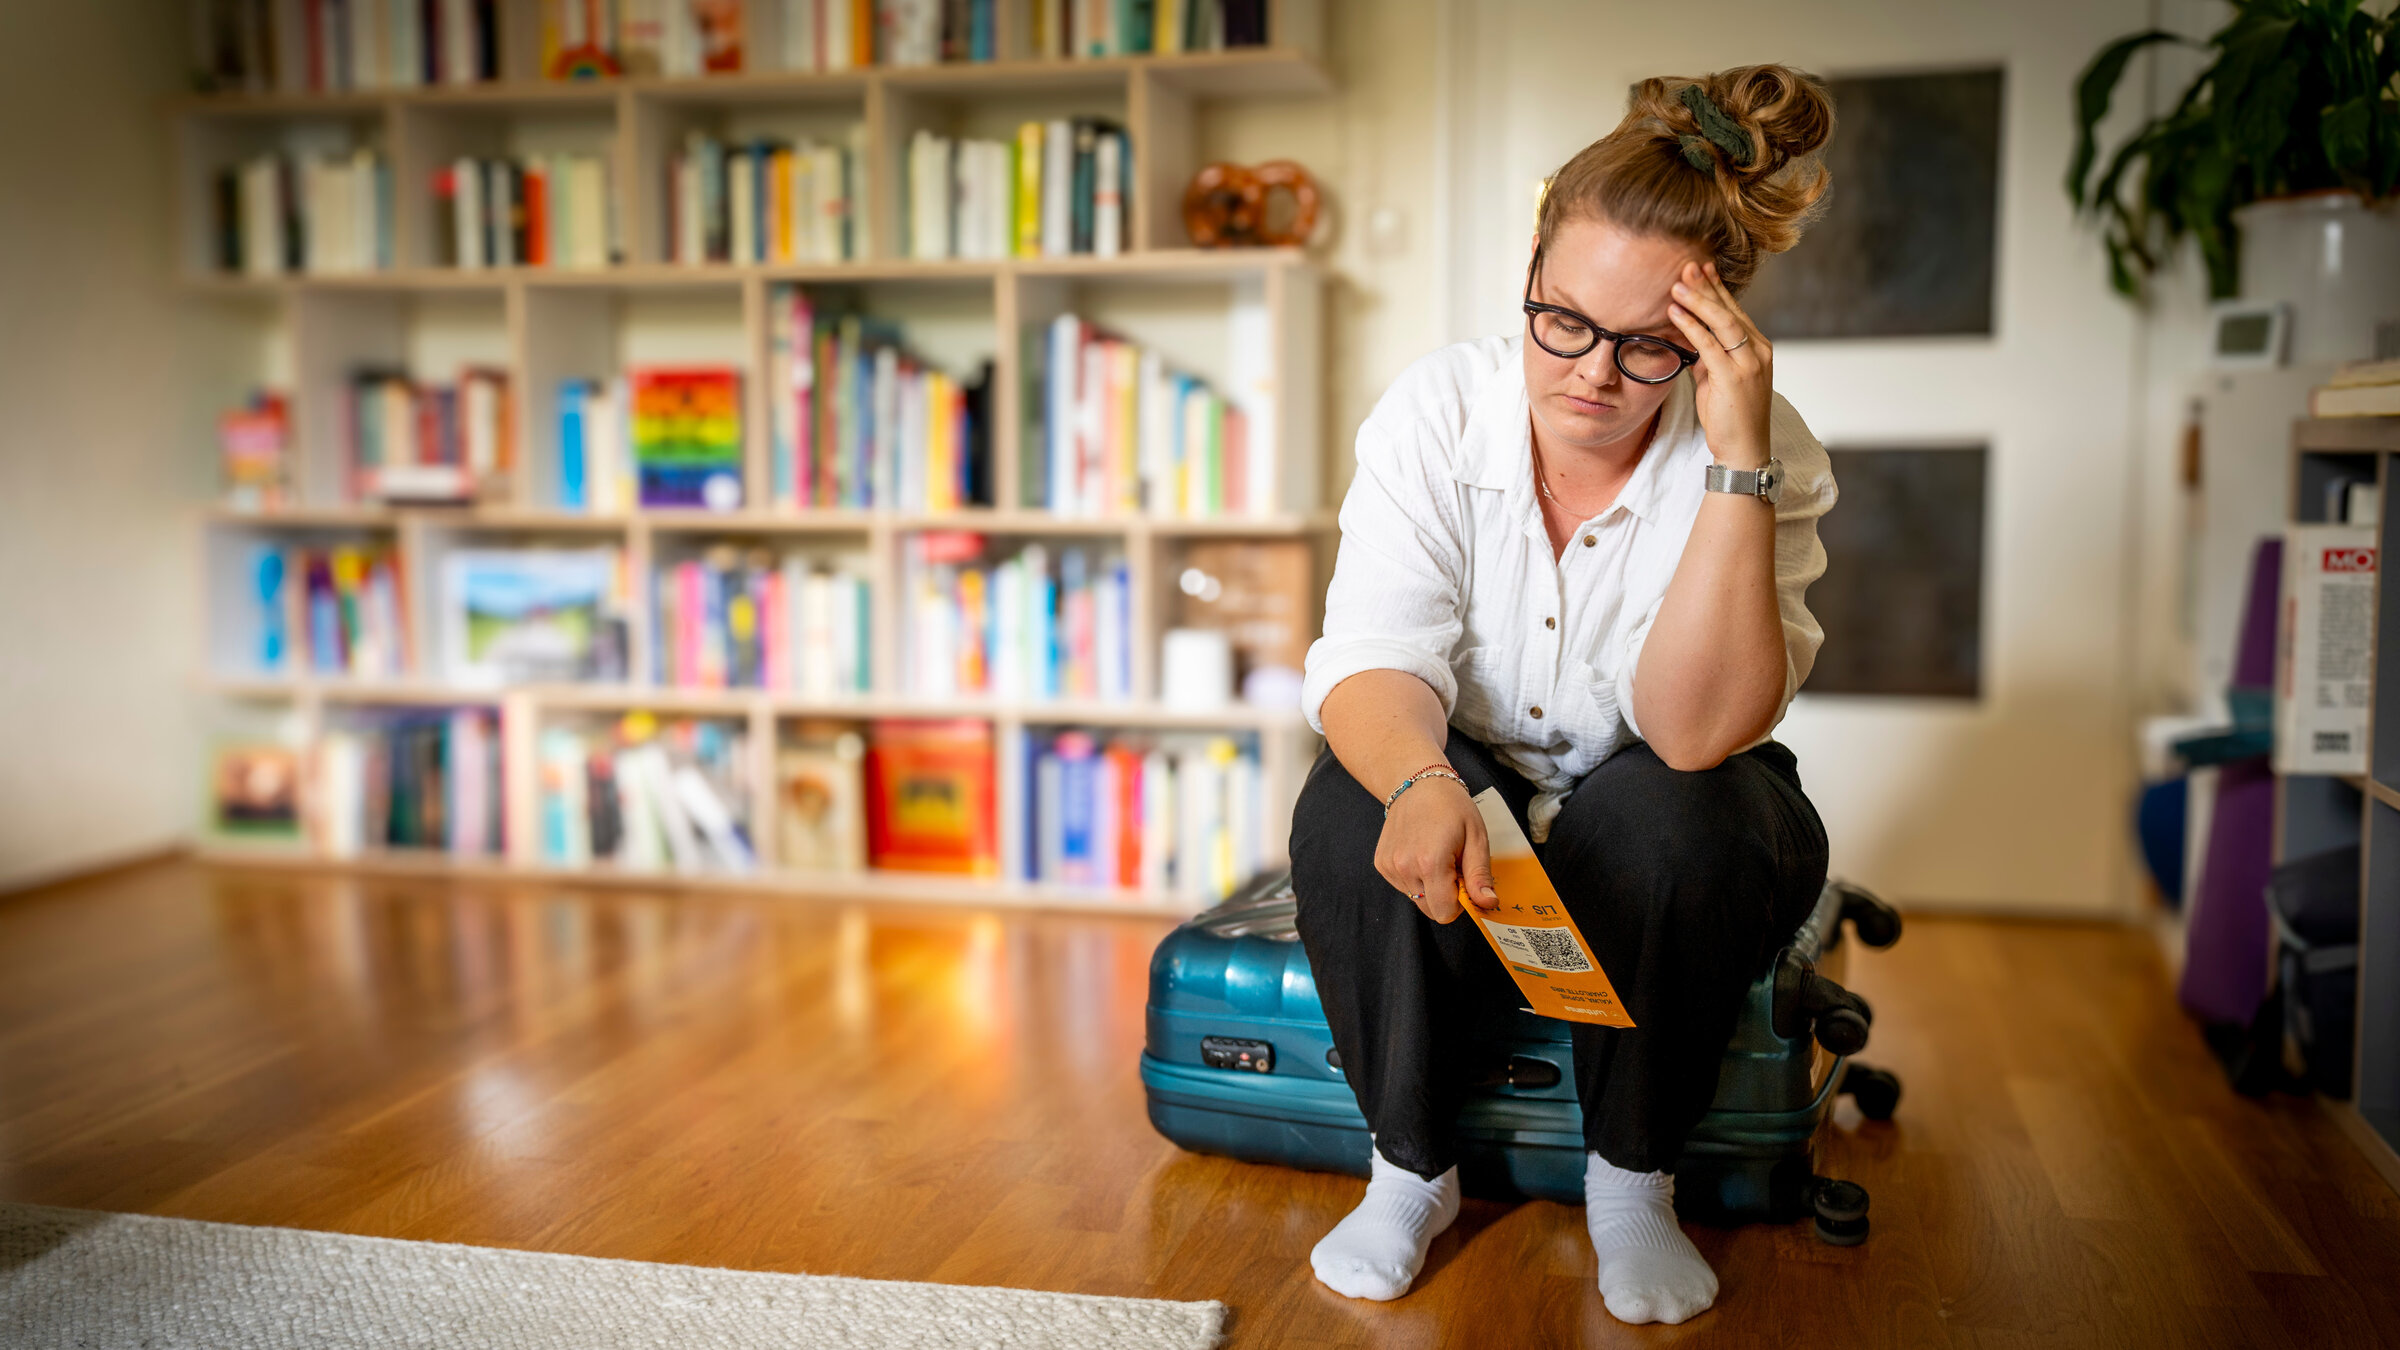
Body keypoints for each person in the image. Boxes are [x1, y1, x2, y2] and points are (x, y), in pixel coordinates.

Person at [1291, 65, 1839, 1326]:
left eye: (1649, 344)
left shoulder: (1764, 447)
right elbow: (1371, 653)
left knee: (1674, 816)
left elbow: (1696, 729)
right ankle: (1409, 1170)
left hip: (1671, 793)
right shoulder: (1436, 411)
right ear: (1530, 278)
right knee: (1345, 803)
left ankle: (1632, 1182)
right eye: (1563, 322)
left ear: (1711, 336)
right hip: (1470, 759)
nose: (1593, 374)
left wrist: (1739, 462)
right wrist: (1425, 781)